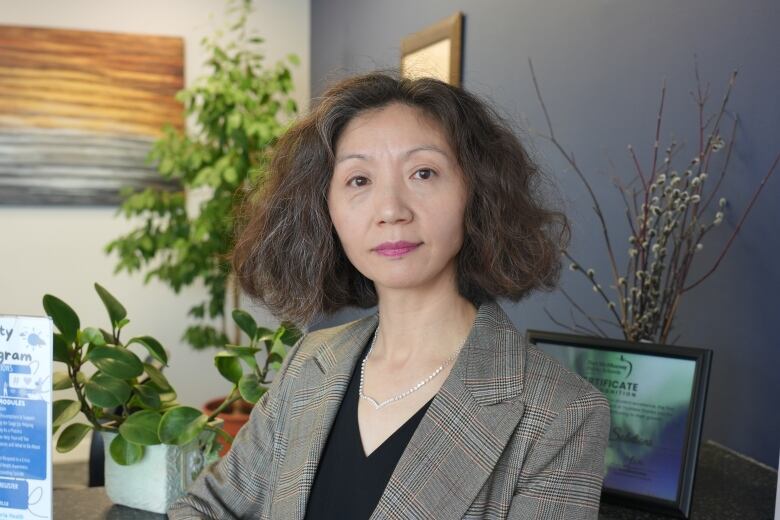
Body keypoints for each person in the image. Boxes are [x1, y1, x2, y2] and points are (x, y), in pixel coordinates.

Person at [168, 70, 610, 519]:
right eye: (359, 180)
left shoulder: (561, 413)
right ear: (328, 209)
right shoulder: (310, 362)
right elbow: (205, 507)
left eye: (423, 172)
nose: (391, 210)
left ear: (476, 193)